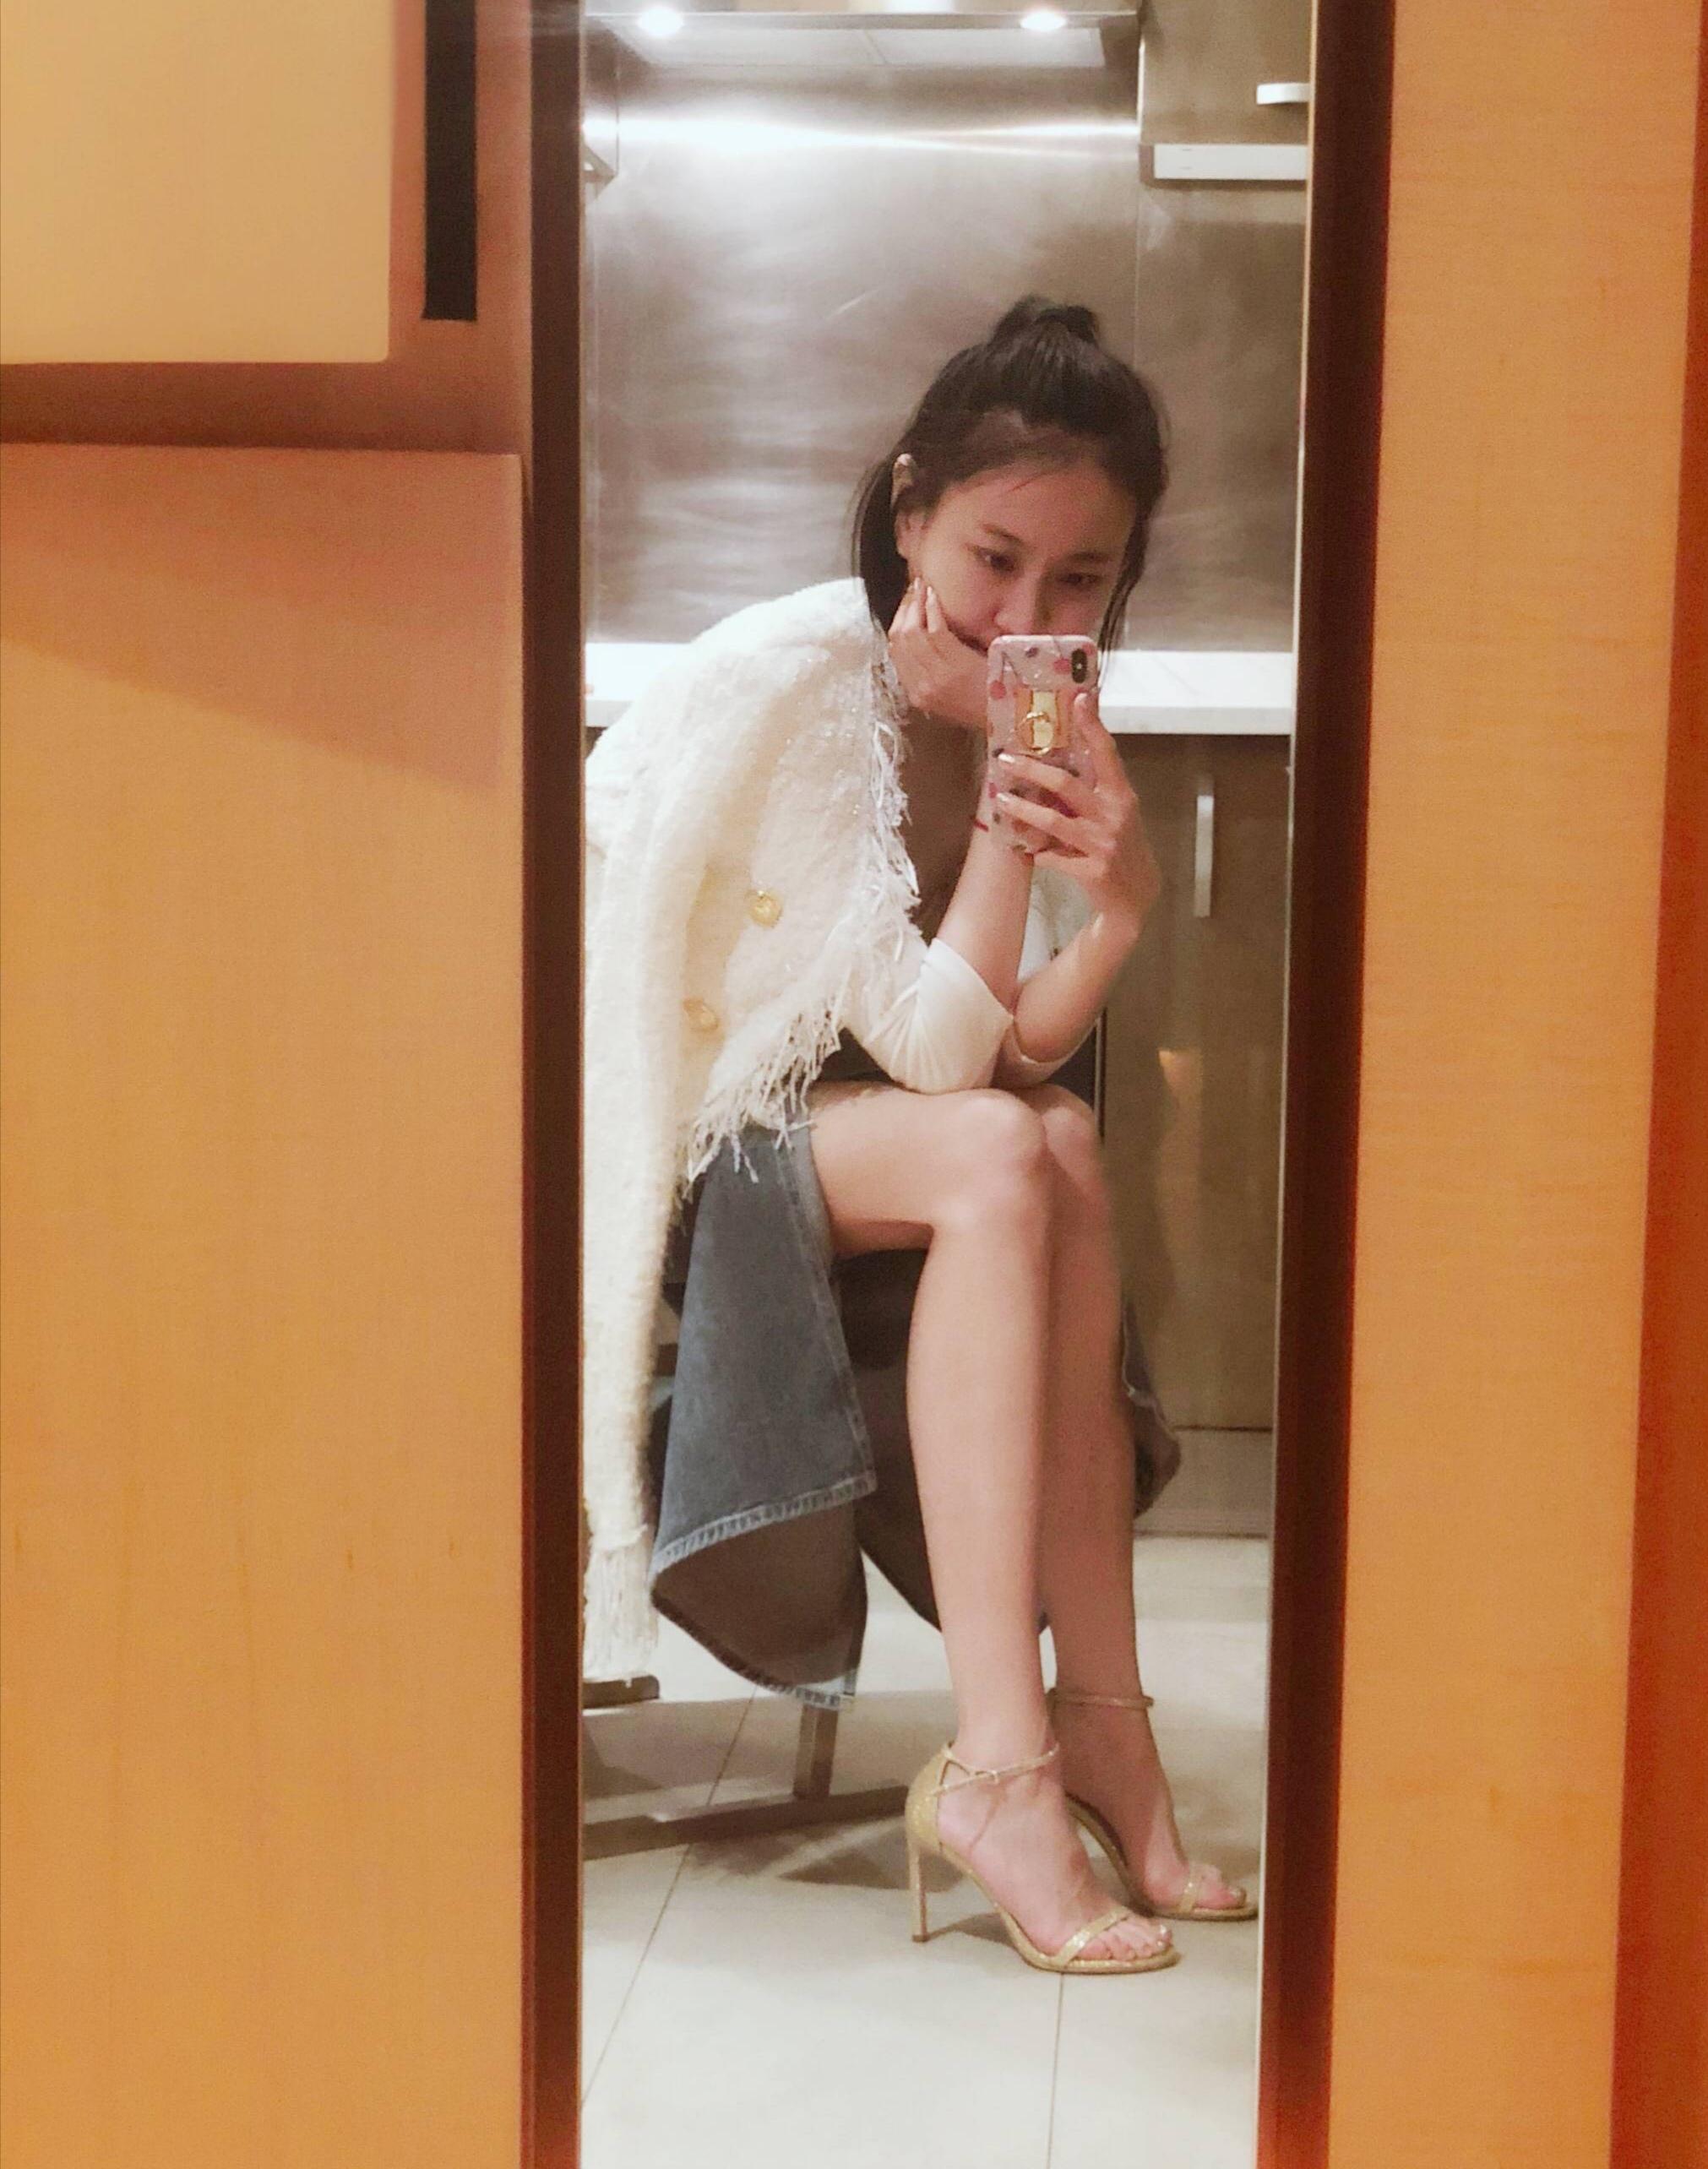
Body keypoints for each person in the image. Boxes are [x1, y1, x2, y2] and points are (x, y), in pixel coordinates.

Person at [582, 297, 1255, 1976]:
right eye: (993, 559)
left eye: (1081, 582)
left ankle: (1100, 1727)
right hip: (690, 1142)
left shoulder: (1015, 712)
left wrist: (1121, 906)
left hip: (864, 1129)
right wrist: (1018, 826)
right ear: (908, 514)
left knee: (1060, 1146)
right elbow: (948, 1059)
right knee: (1000, 1150)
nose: (1027, 619)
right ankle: (1004, 1768)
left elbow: (1014, 1041)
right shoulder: (803, 686)